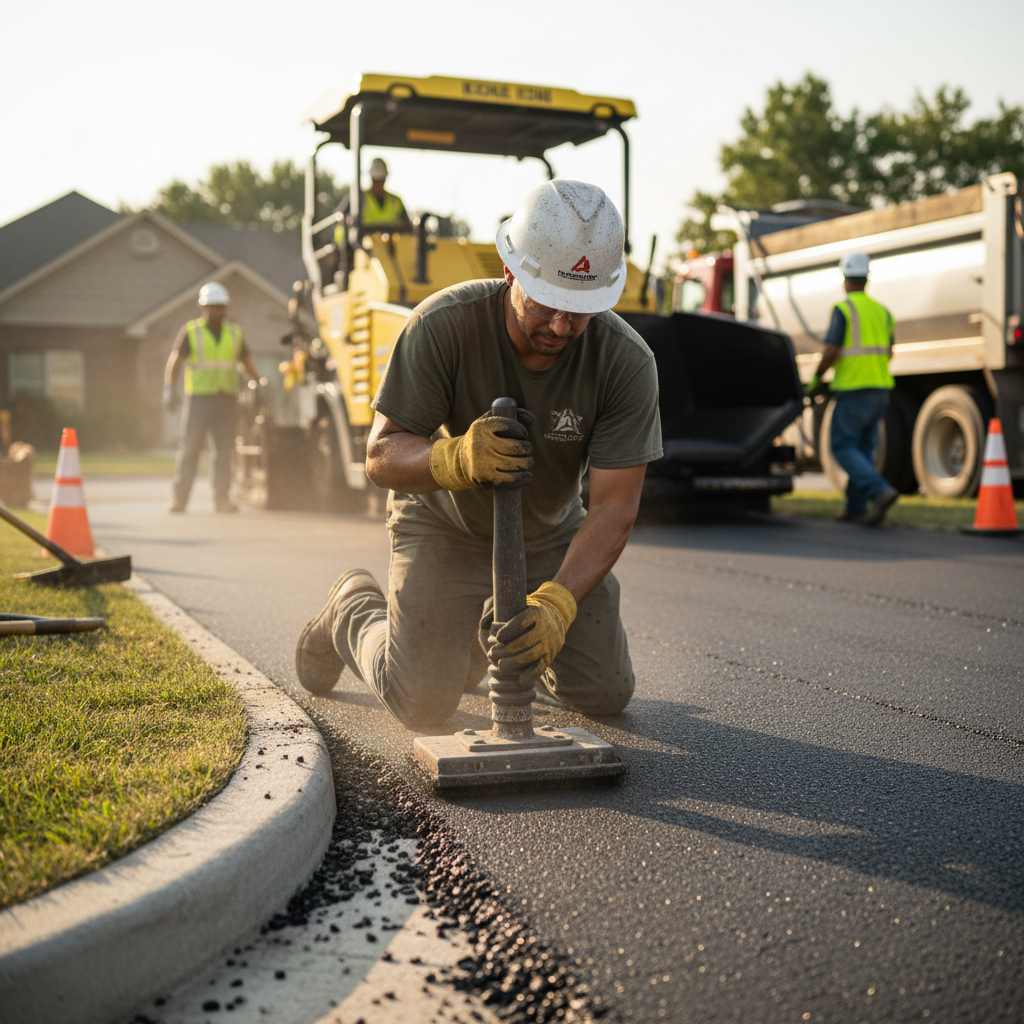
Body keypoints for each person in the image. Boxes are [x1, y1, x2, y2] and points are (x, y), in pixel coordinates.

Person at [295, 180, 663, 729]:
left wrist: (557, 604)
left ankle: (494, 623)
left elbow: (614, 507)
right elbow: (380, 455)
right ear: (511, 272)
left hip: (547, 534)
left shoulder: (625, 361)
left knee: (606, 693)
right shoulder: (442, 326)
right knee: (422, 702)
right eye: (549, 305)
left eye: (581, 310)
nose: (563, 327)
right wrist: (456, 460)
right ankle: (352, 606)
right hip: (444, 526)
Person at [808, 251, 898, 525]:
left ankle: (879, 491)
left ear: (845, 280)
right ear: (866, 279)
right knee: (862, 449)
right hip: (880, 388)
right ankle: (855, 508)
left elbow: (832, 349)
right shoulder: (883, 312)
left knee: (843, 446)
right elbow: (889, 351)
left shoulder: (843, 309)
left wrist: (817, 377)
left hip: (853, 389)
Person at [164, 282, 259, 513]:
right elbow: (175, 360)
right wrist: (169, 388)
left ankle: (222, 500)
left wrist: (256, 384)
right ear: (202, 306)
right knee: (190, 449)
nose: (218, 311)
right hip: (199, 400)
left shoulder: (234, 333)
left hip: (226, 400)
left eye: (221, 307)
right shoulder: (191, 331)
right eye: (213, 307)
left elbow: (246, 363)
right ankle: (179, 499)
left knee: (224, 452)